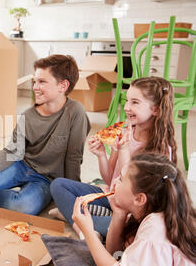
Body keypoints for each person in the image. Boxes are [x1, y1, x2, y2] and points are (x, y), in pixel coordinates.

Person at [0, 55, 90, 215]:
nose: (35, 87)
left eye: (42, 82)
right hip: (20, 166)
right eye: (34, 81)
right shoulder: (28, 115)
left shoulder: (76, 112)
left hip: (46, 179)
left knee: (23, 207)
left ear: (63, 86)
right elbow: (12, 151)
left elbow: (73, 158)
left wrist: (71, 195)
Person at [51, 76, 177, 238]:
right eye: (127, 100)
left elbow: (132, 191)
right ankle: (83, 224)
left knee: (131, 232)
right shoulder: (126, 130)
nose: (126, 107)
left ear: (156, 109)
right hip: (112, 196)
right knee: (58, 185)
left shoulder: (162, 149)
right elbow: (111, 179)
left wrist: (124, 150)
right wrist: (101, 155)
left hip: (134, 212)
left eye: (135, 102)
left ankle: (78, 221)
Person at [72, 153, 195, 266]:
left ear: (139, 199)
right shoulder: (146, 212)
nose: (114, 182)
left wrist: (88, 233)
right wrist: (119, 215)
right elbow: (115, 254)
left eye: (120, 179)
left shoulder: (154, 231)